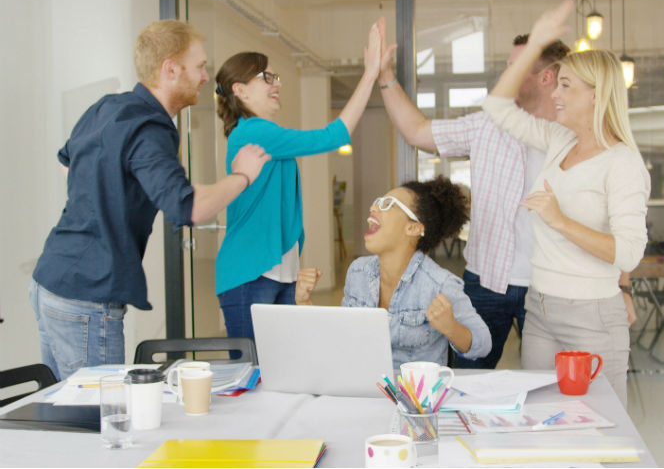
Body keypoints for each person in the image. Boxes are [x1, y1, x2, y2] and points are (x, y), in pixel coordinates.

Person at [30, 20, 270, 380]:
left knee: (66, 404)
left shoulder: (108, 107)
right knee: (102, 409)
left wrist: (105, 203)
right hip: (86, 296)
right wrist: (243, 175)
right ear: (170, 69)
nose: (206, 77)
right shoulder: (150, 127)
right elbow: (189, 207)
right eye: (200, 66)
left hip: (50, 280)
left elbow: (67, 164)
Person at [373, 17, 569, 369]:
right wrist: (384, 75)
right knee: (465, 380)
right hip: (485, 281)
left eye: (516, 65)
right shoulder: (487, 125)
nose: (506, 74)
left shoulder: (574, 136)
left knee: (549, 385)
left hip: (550, 287)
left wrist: (623, 288)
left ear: (546, 77)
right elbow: (417, 131)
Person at [482, 0, 650, 405]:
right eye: (556, 83)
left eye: (566, 86)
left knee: (603, 423)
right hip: (540, 307)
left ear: (597, 94)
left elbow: (629, 252)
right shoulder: (559, 140)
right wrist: (536, 44)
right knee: (540, 416)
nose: (554, 93)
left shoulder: (622, 163)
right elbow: (497, 107)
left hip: (592, 315)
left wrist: (559, 220)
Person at [212, 21, 382, 347]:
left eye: (276, 77)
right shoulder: (254, 131)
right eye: (266, 77)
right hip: (251, 273)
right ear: (240, 90)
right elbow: (333, 135)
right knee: (256, 371)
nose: (276, 83)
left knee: (282, 366)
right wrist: (370, 74)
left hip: (277, 273)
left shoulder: (261, 132)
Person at [295, 176, 491, 369]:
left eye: (388, 204)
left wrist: (451, 327)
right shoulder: (357, 272)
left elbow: (483, 344)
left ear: (413, 227)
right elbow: (344, 337)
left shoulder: (440, 284)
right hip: (363, 383)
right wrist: (305, 303)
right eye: (378, 202)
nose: (373, 208)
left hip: (412, 389)